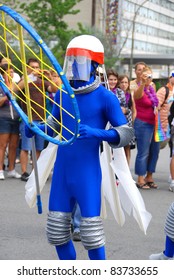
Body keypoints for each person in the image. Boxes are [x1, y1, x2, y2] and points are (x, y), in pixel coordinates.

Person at [26, 35, 134, 260]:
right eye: (71, 60)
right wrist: (35, 128)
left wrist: (98, 133)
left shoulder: (105, 96)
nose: (74, 66)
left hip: (87, 172)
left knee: (91, 235)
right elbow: (53, 123)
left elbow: (126, 133)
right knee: (56, 232)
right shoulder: (64, 93)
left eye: (80, 61)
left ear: (95, 66)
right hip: (62, 171)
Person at [14, 58, 59, 181]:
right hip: (28, 118)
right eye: (33, 67)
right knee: (26, 147)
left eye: (37, 67)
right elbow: (16, 89)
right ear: (27, 68)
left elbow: (55, 89)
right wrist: (29, 76)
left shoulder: (41, 81)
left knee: (39, 148)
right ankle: (24, 172)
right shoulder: (24, 80)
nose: (35, 69)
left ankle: (35, 171)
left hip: (42, 118)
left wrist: (49, 77)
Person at [134, 66, 159, 189]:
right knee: (143, 152)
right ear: (141, 76)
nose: (149, 78)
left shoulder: (152, 89)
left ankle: (149, 176)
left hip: (154, 123)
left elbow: (155, 104)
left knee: (155, 151)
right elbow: (137, 96)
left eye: (150, 76)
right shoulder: (139, 88)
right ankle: (140, 178)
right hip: (142, 123)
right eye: (146, 76)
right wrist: (143, 83)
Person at [0, 64, 21, 180]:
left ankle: (12, 169)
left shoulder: (15, 86)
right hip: (3, 117)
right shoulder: (1, 86)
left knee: (13, 145)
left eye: (12, 72)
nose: (11, 74)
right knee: (2, 145)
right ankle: (0, 170)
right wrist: (6, 96)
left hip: (15, 118)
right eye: (9, 72)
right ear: (3, 74)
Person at [117, 74, 136, 165]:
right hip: (118, 122)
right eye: (122, 82)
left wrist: (132, 121)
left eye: (126, 82)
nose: (124, 84)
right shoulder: (116, 93)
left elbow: (134, 109)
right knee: (119, 147)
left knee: (127, 147)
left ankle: (127, 168)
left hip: (128, 122)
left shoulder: (130, 95)